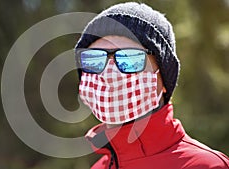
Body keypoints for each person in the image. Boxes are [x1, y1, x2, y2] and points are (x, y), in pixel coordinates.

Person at [74, 2, 229, 169]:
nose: (109, 74)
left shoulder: (206, 166)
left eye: (130, 59)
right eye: (94, 60)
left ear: (162, 78)